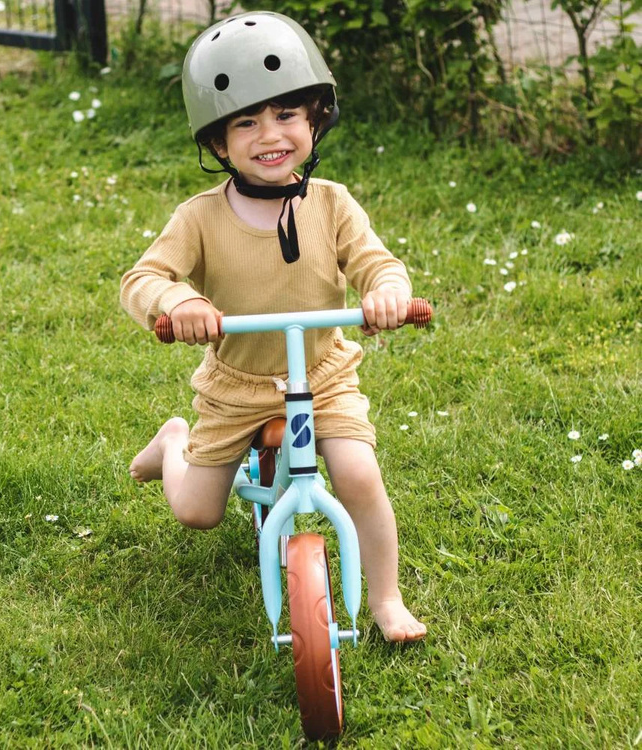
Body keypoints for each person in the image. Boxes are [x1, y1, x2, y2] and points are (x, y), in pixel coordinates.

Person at [120, 11, 426, 642]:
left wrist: (387, 292)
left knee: (359, 474)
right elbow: (143, 278)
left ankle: (387, 599)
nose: (270, 136)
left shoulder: (332, 204)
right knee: (197, 511)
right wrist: (177, 300)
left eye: (286, 114)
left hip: (321, 375)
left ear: (316, 118)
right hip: (237, 383)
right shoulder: (199, 218)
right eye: (246, 122)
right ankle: (173, 442)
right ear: (217, 143)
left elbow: (376, 263)